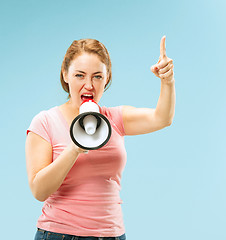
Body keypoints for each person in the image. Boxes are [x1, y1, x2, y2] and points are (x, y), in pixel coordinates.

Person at [26, 36, 175, 240]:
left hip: (112, 235)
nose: (89, 85)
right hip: (59, 234)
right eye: (80, 75)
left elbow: (162, 118)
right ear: (65, 74)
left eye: (97, 76)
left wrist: (167, 81)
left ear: (107, 78)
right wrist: (75, 148)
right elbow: (39, 190)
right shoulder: (45, 122)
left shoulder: (115, 119)